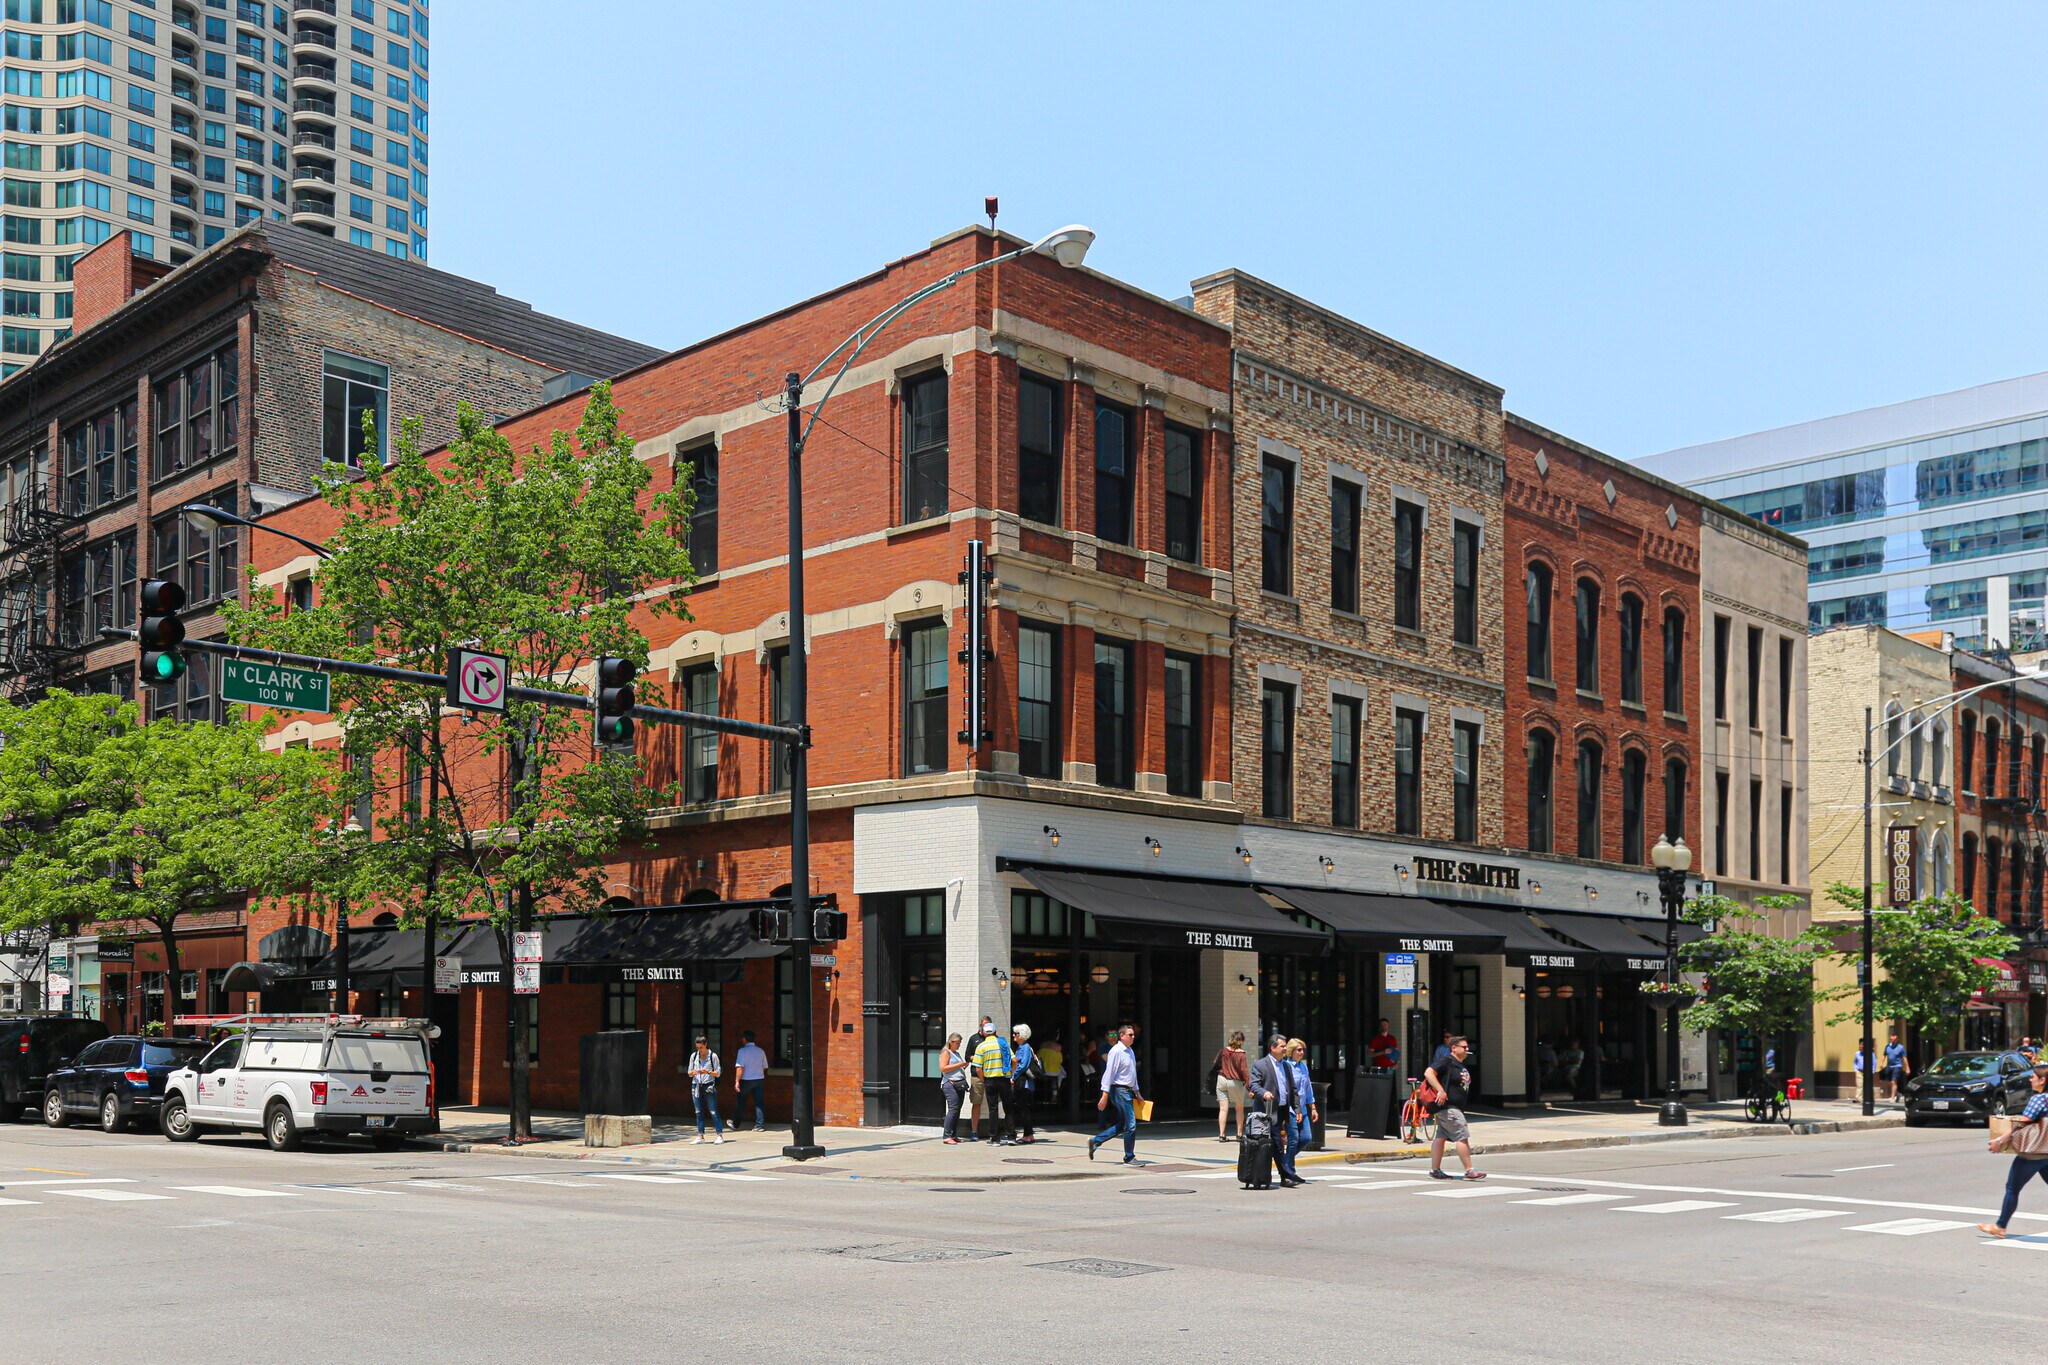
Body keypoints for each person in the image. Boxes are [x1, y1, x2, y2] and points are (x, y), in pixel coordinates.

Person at [1980, 1062, 2048, 1239]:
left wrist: (2000, 1140)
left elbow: (2022, 1123)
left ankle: (2000, 1227)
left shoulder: (2038, 1099)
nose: (2030, 1078)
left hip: (2032, 1154)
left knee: (2012, 1189)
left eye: (2033, 1076)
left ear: (2042, 1080)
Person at [1247, 1033, 1304, 1187]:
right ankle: (1285, 1176)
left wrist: (1297, 1109)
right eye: (1282, 1046)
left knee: (1277, 1144)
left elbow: (1292, 1089)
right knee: (1277, 1144)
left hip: (1281, 1111)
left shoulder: (1286, 1065)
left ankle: (1282, 1174)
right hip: (1266, 1112)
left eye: (1285, 1046)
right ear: (1273, 1048)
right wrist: (1264, 1093)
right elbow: (1254, 1085)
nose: (1285, 1049)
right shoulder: (1260, 1065)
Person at [1424, 1036, 1484, 1181]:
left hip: (1451, 1108)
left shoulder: (1459, 1064)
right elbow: (1428, 1072)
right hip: (1449, 1108)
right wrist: (1441, 1091)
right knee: (1462, 1136)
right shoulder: (1447, 1061)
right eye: (1464, 1047)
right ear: (1454, 1048)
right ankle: (1469, 1170)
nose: (1467, 1049)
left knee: (1440, 1138)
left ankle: (1435, 1170)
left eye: (1468, 1047)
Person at [1088, 1023, 1143, 1165]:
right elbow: (1109, 1073)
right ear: (1122, 1036)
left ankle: (1096, 1141)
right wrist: (1105, 1094)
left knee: (1123, 1124)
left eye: (1133, 1035)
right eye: (1130, 1035)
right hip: (1119, 1090)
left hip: (1128, 1090)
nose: (1133, 1037)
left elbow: (1132, 1074)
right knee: (1131, 1124)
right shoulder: (1116, 1051)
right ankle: (1129, 1157)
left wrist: (1137, 1092)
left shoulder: (1130, 1051)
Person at [972, 1022, 1015, 1146]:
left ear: (984, 1033)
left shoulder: (981, 1046)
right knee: (1008, 1108)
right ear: (995, 1032)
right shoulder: (1003, 1043)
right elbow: (1014, 1060)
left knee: (993, 1109)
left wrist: (984, 1079)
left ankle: (995, 1138)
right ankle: (1011, 1136)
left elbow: (978, 1068)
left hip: (990, 1079)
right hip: (1004, 1078)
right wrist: (1010, 1073)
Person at [687, 1034, 725, 1144]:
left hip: (708, 1085)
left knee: (713, 1111)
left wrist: (707, 1071)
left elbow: (718, 1073)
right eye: (697, 1048)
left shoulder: (713, 1056)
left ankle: (719, 1135)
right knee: (698, 1111)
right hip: (696, 1085)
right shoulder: (694, 1056)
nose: (699, 1050)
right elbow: (689, 1073)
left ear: (706, 1045)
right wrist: (693, 1072)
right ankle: (700, 1135)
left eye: (701, 1048)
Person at [963, 1015, 995, 1141]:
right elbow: (967, 1056)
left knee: (993, 1103)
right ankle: (974, 1131)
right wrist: (978, 1057)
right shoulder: (974, 1039)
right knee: (976, 1102)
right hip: (977, 1075)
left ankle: (994, 1132)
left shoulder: (994, 1039)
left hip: (991, 1073)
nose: (984, 1028)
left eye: (987, 1025)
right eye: (982, 1025)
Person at [1214, 1030, 1250, 1141]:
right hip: (1235, 1081)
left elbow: (1215, 1062)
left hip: (1221, 1079)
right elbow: (1244, 1070)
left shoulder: (1224, 1051)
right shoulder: (1241, 1053)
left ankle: (1222, 1135)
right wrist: (1248, 1084)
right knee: (1239, 1108)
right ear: (1241, 1041)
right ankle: (1239, 1134)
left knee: (1223, 1109)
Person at [732, 1030, 769, 1132]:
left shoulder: (742, 1051)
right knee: (759, 1102)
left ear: (744, 1039)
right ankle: (759, 1125)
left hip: (746, 1080)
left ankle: (736, 1124)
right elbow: (764, 1067)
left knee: (741, 1102)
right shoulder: (761, 1051)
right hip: (759, 1079)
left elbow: (740, 1067)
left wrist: (737, 1081)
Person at [938, 1032, 971, 1143]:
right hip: (950, 1084)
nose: (959, 1045)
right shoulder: (946, 1052)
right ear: (951, 1042)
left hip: (959, 1083)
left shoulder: (956, 1053)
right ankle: (946, 1136)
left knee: (957, 1110)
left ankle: (953, 1135)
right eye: (957, 1043)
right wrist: (960, 1064)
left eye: (960, 1043)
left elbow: (956, 1069)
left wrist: (964, 1065)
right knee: (953, 1109)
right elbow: (943, 1068)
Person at [1288, 1038, 1318, 1157]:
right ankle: (1288, 1166)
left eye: (1302, 1050)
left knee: (1306, 1137)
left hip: (1303, 1108)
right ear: (1291, 1051)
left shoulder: (1303, 1067)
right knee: (1294, 1138)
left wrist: (1313, 1107)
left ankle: (1286, 1160)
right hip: (1291, 1109)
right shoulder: (1286, 1066)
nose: (1302, 1052)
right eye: (1299, 1050)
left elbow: (1308, 1088)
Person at [1010, 1023, 1039, 1143]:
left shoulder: (1025, 1047)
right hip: (1021, 1080)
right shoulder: (1021, 1047)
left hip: (1023, 1081)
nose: (1013, 1036)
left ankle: (1028, 1134)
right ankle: (1028, 1134)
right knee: (1023, 1108)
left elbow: (1023, 1064)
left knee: (1024, 1108)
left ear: (1021, 1035)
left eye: (1016, 1034)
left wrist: (1013, 1076)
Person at [1039, 1032, 1065, 1110]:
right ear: (1057, 1037)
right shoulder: (1058, 1047)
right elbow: (1060, 1061)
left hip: (1041, 1071)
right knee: (1061, 1073)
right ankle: (1054, 1095)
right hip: (1052, 1071)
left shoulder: (1042, 1045)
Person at [1883, 1033, 1910, 1101]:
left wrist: (1907, 1068)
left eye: (1894, 1039)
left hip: (1897, 1066)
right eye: (1891, 1039)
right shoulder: (1887, 1046)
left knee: (1893, 1081)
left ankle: (1892, 1098)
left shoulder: (1900, 1047)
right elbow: (1884, 1055)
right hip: (1889, 1066)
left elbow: (1904, 1058)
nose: (1892, 1041)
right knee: (1888, 1082)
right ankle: (1898, 1094)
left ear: (1897, 1039)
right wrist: (1882, 1063)